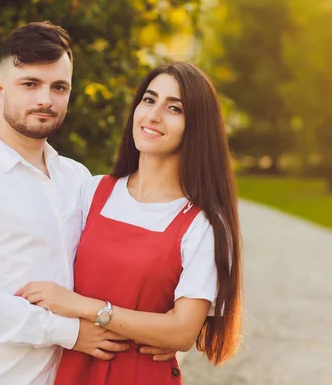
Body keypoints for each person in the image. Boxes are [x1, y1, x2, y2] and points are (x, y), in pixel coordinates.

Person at [0, 22, 173, 385]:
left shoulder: (78, 179)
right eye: (30, 84)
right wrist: (66, 331)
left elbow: (116, 266)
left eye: (59, 87)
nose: (45, 99)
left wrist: (159, 330)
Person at [17, 61, 243, 384]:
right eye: (149, 100)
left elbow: (181, 332)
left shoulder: (202, 224)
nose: (153, 115)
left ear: (196, 127)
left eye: (174, 108)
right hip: (74, 369)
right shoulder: (92, 191)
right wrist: (146, 325)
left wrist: (88, 309)